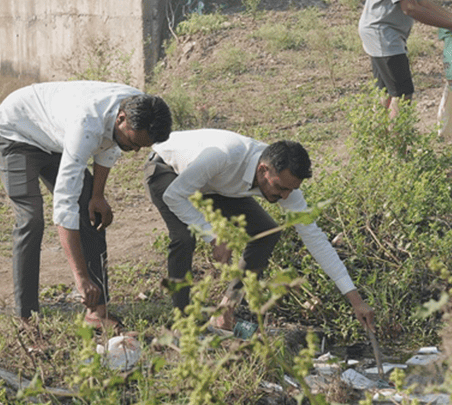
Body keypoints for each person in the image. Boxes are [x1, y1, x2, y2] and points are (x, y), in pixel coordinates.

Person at [147, 128, 377, 332]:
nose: (284, 196)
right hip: (168, 169)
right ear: (263, 169)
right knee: (183, 237)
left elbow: (314, 238)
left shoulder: (283, 184)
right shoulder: (223, 156)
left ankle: (227, 308)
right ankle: (183, 323)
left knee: (267, 232)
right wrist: (213, 237)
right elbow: (174, 195)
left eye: (290, 190)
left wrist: (356, 300)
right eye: (280, 188)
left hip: (216, 185)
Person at [0, 81, 172, 328]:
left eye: (141, 146)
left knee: (90, 210)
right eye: (133, 144)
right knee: (31, 220)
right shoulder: (87, 124)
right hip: (17, 133)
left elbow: (111, 146)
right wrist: (81, 277)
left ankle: (97, 313)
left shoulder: (140, 108)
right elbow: (65, 204)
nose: (137, 151)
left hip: (57, 137)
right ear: (121, 118)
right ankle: (27, 318)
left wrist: (97, 195)